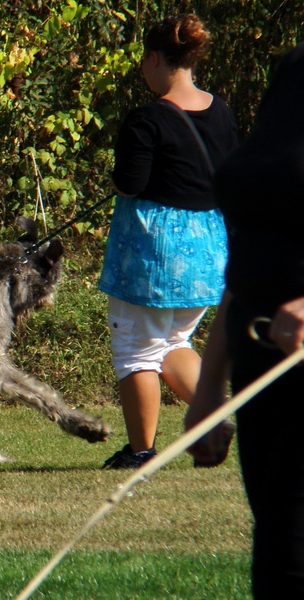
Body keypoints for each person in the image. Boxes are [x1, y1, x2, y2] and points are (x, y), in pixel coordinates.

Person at [185, 42, 304, 598]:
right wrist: (209, 388)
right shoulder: (294, 72)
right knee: (280, 558)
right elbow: (246, 263)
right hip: (264, 378)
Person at [98, 14, 238, 469]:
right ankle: (216, 418)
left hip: (153, 251)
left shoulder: (147, 118)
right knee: (174, 340)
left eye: (144, 61)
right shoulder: (222, 112)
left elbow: (130, 183)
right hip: (207, 249)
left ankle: (141, 452)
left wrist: (116, 179)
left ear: (155, 59)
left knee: (136, 348)